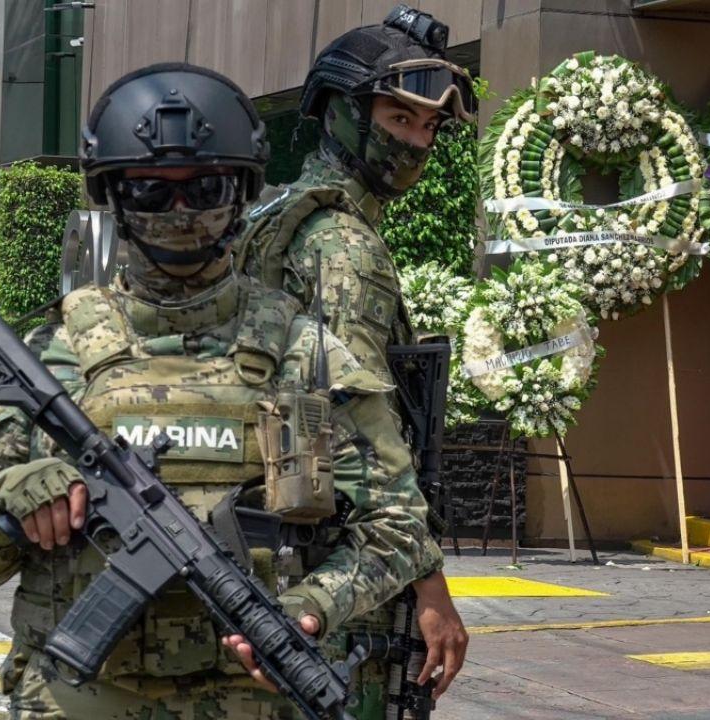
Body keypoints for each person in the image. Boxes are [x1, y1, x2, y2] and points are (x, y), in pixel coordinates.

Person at [0, 62, 442, 719]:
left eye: (203, 188)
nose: (179, 212)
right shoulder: (52, 356)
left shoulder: (306, 352)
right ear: (114, 195)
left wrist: (314, 606)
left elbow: (399, 528)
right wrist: (6, 503)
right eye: (150, 191)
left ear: (240, 191)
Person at [236, 5, 475, 712]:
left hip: (285, 542)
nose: (416, 143)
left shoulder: (279, 216)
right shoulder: (344, 248)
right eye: (399, 119)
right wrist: (427, 578)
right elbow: (360, 430)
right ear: (342, 112)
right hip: (340, 566)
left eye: (428, 127)